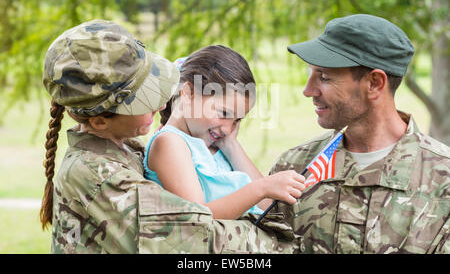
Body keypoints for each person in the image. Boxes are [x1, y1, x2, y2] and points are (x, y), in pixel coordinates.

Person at [41, 19, 298, 254]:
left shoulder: (124, 148)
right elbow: (195, 238)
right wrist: (281, 241)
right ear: (99, 121)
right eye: (144, 98)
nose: (160, 102)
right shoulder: (98, 175)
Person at [269, 14, 449, 254]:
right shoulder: (294, 166)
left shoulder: (443, 182)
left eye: (323, 77)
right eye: (311, 74)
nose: (307, 90)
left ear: (374, 83)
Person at [144, 46, 306, 219]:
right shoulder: (170, 143)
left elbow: (267, 206)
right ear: (188, 93)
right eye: (224, 114)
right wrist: (261, 188)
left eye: (237, 121)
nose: (228, 129)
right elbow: (198, 217)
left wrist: (231, 145)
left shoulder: (214, 145)